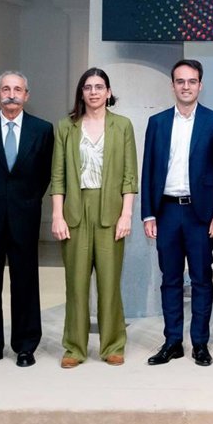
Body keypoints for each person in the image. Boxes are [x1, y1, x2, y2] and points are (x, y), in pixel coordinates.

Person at [141, 59, 213, 367]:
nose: (186, 86)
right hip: (166, 211)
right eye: (180, 81)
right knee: (169, 279)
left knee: (201, 278)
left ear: (200, 85)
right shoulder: (157, 123)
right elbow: (148, 170)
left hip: (200, 214)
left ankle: (200, 343)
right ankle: (172, 342)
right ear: (173, 86)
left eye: (192, 81)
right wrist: (148, 214)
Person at [50, 68, 138, 368]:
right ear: (81, 92)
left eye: (100, 87)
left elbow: (129, 175)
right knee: (76, 284)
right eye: (88, 87)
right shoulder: (66, 126)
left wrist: (126, 214)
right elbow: (58, 175)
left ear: (109, 92)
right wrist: (57, 215)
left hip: (111, 211)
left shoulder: (122, 126)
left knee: (109, 283)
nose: (94, 92)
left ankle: (112, 344)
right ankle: (74, 347)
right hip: (75, 210)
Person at [0, 70, 54, 369]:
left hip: (24, 218)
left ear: (26, 95)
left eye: (17, 89)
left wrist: (27, 200)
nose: (11, 95)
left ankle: (26, 346)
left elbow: (45, 173)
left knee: (26, 284)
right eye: (6, 89)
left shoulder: (42, 130)